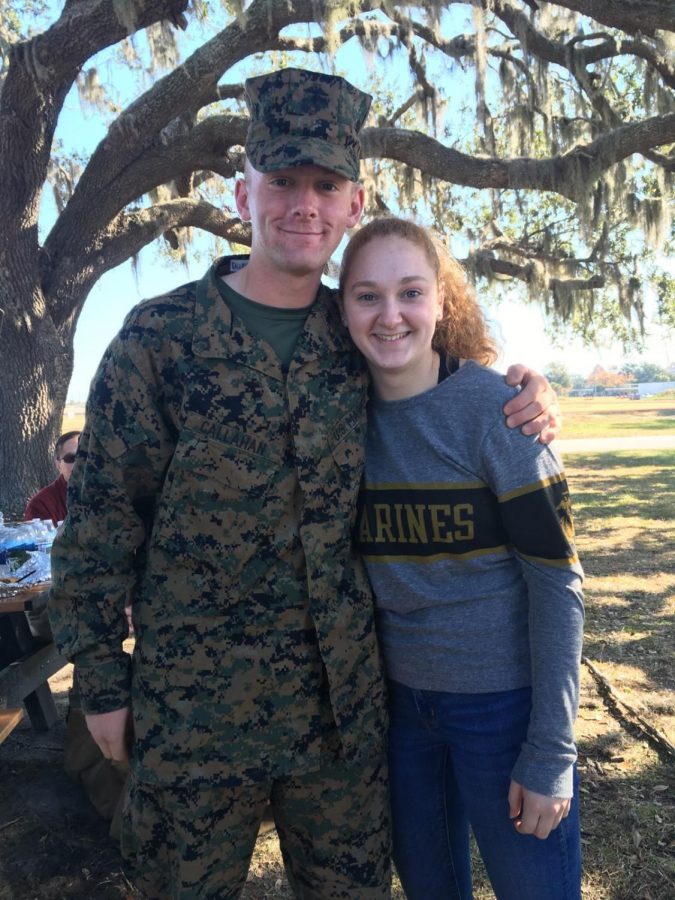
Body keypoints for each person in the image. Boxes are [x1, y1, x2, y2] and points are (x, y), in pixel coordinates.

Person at [49, 68, 560, 899]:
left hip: (342, 718)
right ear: (244, 191)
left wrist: (530, 393)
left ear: (354, 203)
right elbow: (102, 520)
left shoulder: (360, 329)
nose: (303, 204)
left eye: (325, 184)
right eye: (282, 181)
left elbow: (449, 381)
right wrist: (102, 683)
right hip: (193, 712)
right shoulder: (160, 337)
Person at [339, 216, 584, 900]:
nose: (390, 316)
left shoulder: (499, 414)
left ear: (441, 302)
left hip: (503, 708)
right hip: (396, 711)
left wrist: (550, 752)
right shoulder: (335, 418)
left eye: (410, 292)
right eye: (366, 296)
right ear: (343, 310)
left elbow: (557, 584)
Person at [24, 431, 80, 525]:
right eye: (71, 458)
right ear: (58, 464)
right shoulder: (41, 505)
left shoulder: (110, 493)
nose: (80, 463)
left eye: (87, 457)